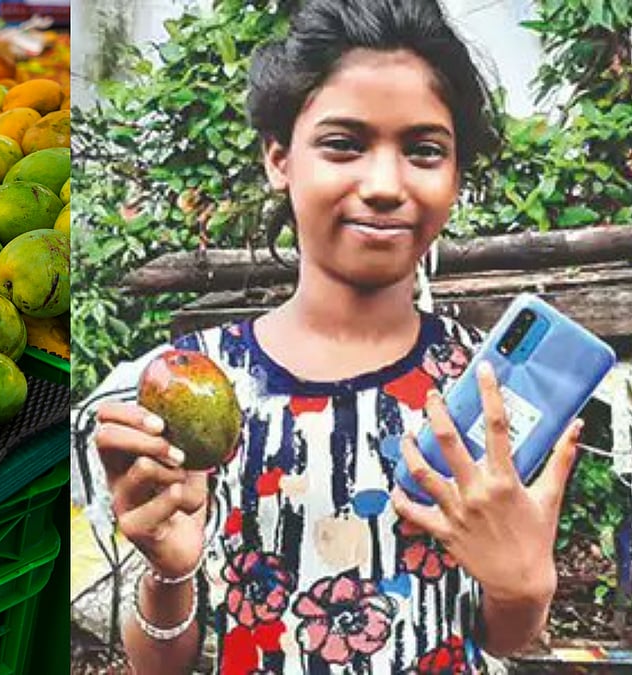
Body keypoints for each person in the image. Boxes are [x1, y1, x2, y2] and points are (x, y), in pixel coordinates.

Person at [78, 0, 586, 672]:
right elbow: (160, 665)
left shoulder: (485, 392)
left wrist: (523, 585)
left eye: (424, 150)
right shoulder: (192, 386)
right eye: (344, 144)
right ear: (280, 159)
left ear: (455, 175)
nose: (384, 185)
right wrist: (170, 571)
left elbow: (499, 638)